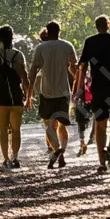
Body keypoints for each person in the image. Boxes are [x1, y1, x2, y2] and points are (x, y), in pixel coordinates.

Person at [75, 15, 110, 172]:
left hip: (98, 90)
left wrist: (80, 89)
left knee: (100, 125)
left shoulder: (90, 42)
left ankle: (101, 163)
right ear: (108, 24)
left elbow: (82, 67)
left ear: (96, 26)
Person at [27, 20, 78, 168]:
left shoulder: (41, 47)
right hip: (63, 92)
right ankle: (61, 150)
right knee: (62, 125)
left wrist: (29, 93)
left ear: (47, 32)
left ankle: (57, 152)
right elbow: (73, 68)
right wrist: (79, 83)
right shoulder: (68, 46)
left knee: (50, 126)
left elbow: (33, 70)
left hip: (46, 92)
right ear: (59, 31)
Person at [0, 25, 31, 168]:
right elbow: (25, 78)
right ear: (13, 37)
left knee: (3, 130)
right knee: (16, 130)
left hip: (1, 99)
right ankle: (15, 157)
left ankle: (5, 159)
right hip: (16, 99)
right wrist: (29, 98)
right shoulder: (19, 55)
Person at [34, 27, 53, 155]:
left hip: (44, 89)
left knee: (47, 121)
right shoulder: (59, 47)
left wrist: (33, 91)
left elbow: (35, 71)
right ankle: (54, 145)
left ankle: (50, 145)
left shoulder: (40, 49)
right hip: (60, 88)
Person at [70, 64, 94, 156]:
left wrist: (74, 97)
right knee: (82, 123)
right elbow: (77, 86)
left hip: (87, 100)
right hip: (84, 100)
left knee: (84, 123)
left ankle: (84, 143)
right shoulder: (80, 73)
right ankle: (83, 144)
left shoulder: (87, 73)